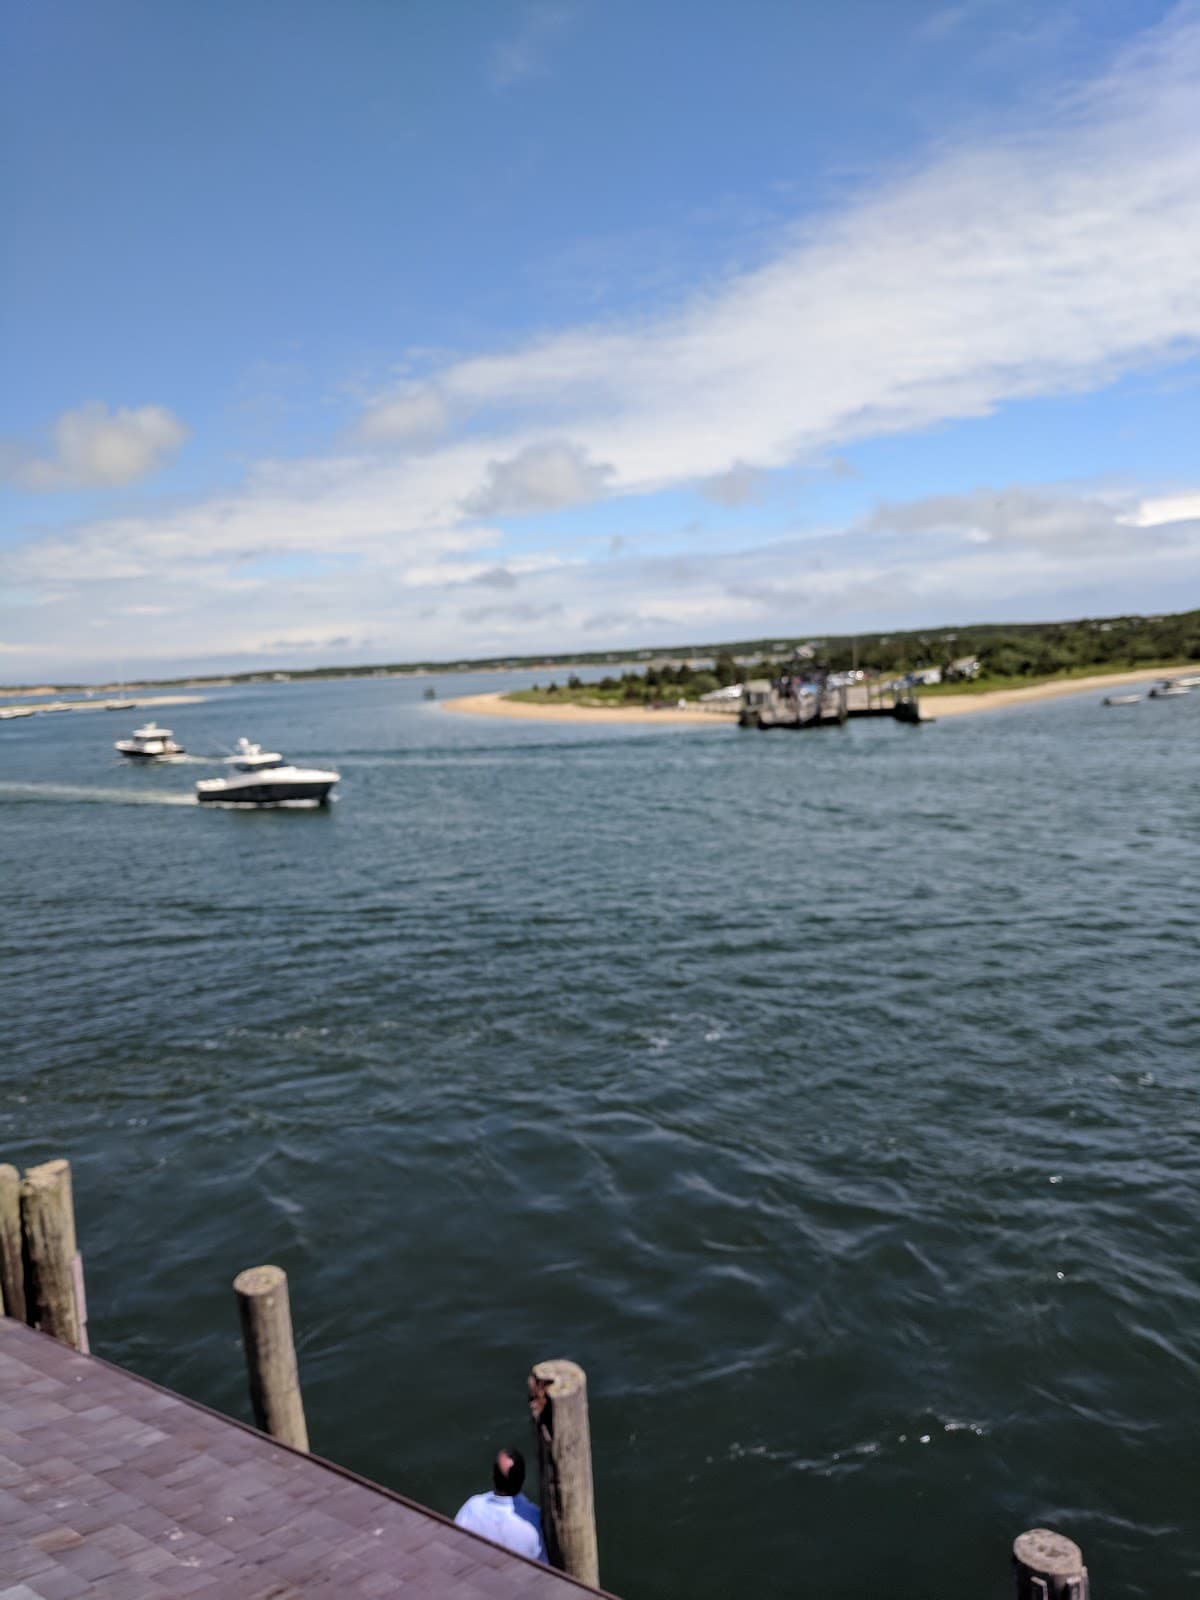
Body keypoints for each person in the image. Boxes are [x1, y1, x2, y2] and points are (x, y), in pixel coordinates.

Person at [454, 1447, 547, 1563]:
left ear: (493, 1476)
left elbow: (453, 1545)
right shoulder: (536, 1520)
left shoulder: (472, 1507)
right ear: (522, 1478)